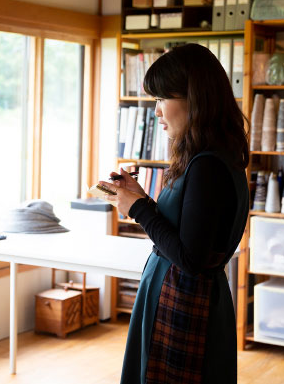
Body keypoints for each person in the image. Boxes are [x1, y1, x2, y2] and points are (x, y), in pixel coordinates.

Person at [99, 44, 249, 383]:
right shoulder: (213, 155)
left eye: (162, 100)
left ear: (194, 99)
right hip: (183, 295)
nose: (156, 112)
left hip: (183, 301)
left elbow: (190, 257)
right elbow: (188, 231)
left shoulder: (207, 165)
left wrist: (137, 208)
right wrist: (140, 198)